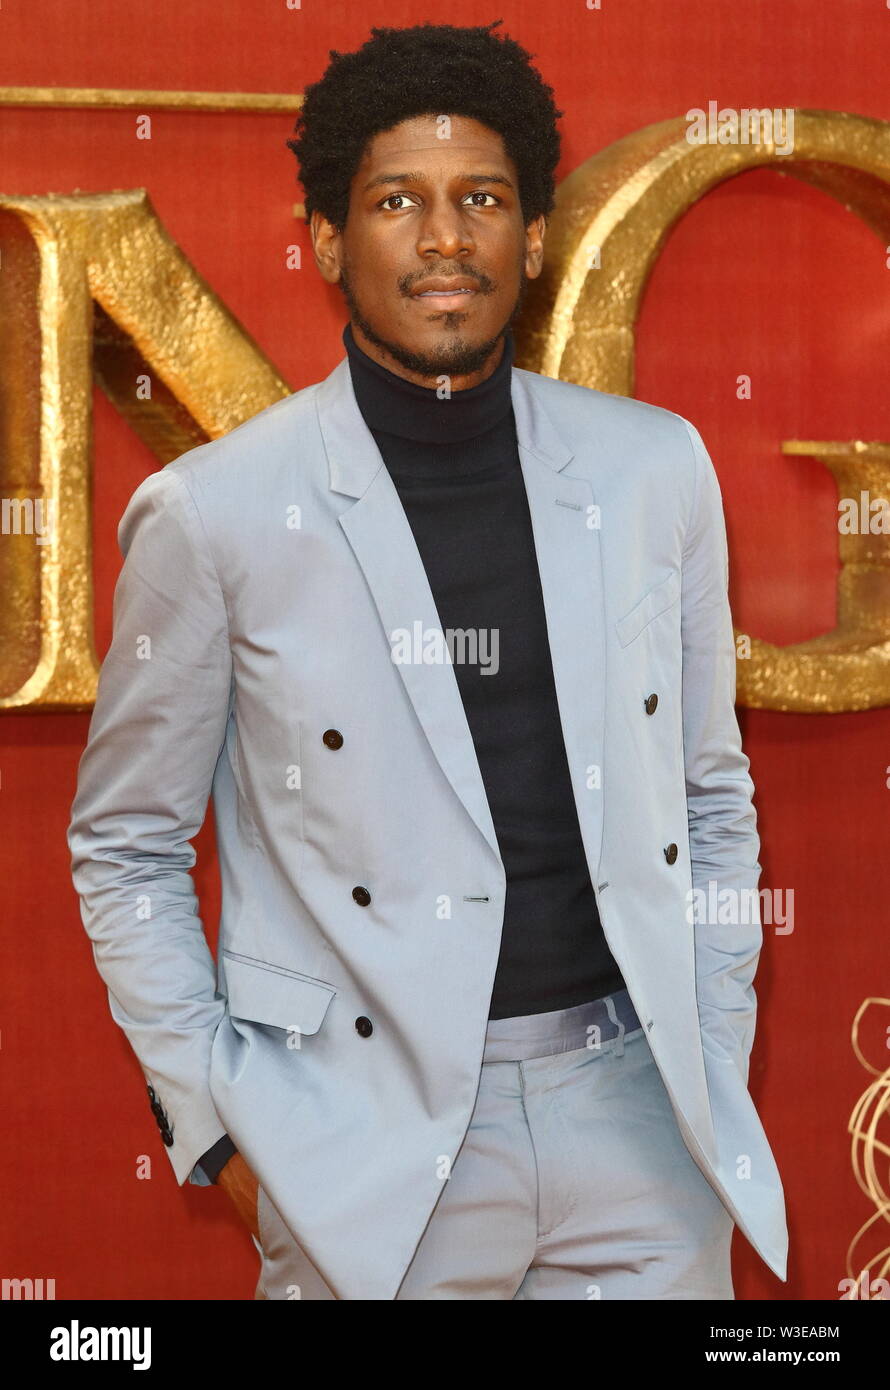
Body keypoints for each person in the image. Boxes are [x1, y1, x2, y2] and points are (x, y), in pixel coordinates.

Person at [67, 19, 788, 1300]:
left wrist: (713, 1039)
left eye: (482, 201)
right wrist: (221, 1126)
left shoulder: (649, 468)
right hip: (367, 1136)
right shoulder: (218, 512)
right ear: (331, 241)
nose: (445, 239)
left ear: (536, 237)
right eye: (397, 201)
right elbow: (126, 844)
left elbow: (711, 795)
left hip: (636, 1121)